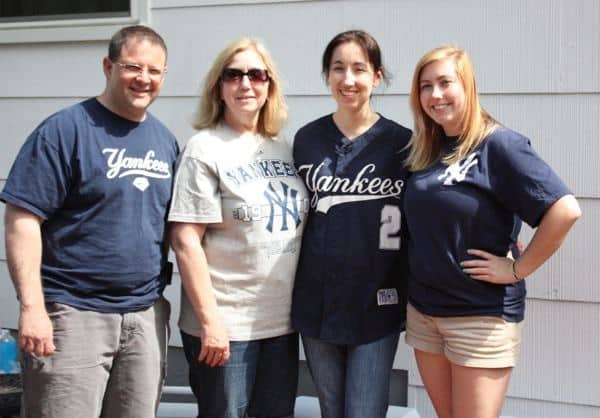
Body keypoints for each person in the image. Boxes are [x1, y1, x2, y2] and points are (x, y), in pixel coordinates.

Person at [0, 25, 178, 418]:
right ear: (108, 66)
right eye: (133, 67)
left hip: (145, 314)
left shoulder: (164, 141)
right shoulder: (65, 131)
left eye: (154, 71)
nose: (143, 79)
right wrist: (32, 308)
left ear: (164, 76)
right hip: (73, 314)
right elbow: (22, 219)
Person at [403, 46, 582, 418]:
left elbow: (564, 210)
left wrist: (518, 269)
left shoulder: (499, 144)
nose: (435, 95)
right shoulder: (427, 150)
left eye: (445, 83)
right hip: (425, 314)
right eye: (425, 86)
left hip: (479, 318)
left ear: (468, 85)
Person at [168, 38, 308, 418]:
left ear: (269, 86)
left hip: (280, 323)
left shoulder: (283, 147)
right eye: (234, 75)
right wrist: (213, 323)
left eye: (256, 75)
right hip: (226, 326)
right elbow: (185, 241)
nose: (245, 84)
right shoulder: (205, 148)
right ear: (220, 87)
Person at [291, 30, 412, 418]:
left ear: (377, 76)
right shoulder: (307, 139)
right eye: (338, 68)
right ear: (327, 75)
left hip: (377, 301)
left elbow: (431, 209)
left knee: (363, 411)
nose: (348, 79)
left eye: (359, 69)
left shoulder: (402, 143)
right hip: (316, 301)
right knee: (331, 410)